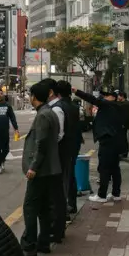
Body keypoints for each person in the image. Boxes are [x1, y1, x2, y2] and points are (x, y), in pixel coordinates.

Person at [20, 80, 62, 256]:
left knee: (30, 207)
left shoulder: (43, 115)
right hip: (49, 169)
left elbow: (41, 144)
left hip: (41, 170)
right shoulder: (50, 112)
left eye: (30, 95)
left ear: (34, 97)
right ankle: (43, 242)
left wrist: (33, 167)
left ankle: (29, 245)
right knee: (44, 207)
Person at [74, 88, 126, 203]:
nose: (103, 97)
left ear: (112, 97)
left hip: (107, 140)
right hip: (116, 140)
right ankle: (116, 193)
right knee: (115, 168)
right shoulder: (118, 106)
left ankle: (102, 195)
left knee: (104, 168)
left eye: (106, 95)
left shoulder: (107, 105)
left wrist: (77, 91)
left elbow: (92, 99)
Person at [43, 79, 68, 241]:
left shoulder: (56, 109)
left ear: (50, 92)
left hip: (57, 157)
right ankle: (57, 229)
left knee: (56, 195)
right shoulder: (56, 107)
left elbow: (58, 135)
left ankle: (57, 229)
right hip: (58, 157)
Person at [54, 81, 82, 219]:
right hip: (74, 144)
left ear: (57, 92)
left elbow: (59, 133)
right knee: (70, 174)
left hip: (63, 146)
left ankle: (64, 209)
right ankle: (72, 204)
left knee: (63, 178)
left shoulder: (58, 107)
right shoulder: (74, 106)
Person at [116, 91, 129, 158]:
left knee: (123, 139)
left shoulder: (125, 104)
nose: (118, 97)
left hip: (123, 124)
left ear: (122, 96)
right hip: (122, 124)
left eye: (119, 96)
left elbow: (124, 116)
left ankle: (124, 152)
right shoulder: (124, 103)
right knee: (122, 138)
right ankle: (122, 152)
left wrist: (123, 124)